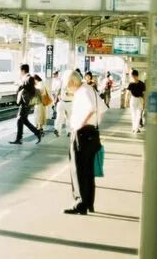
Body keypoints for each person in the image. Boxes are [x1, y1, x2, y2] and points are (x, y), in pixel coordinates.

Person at [63, 70, 102, 216]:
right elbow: (102, 108)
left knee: (78, 169)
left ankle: (80, 203)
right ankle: (88, 202)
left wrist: (80, 125)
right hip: (92, 132)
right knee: (88, 171)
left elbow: (91, 109)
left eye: (68, 86)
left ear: (73, 82)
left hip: (82, 134)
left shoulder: (82, 91)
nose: (68, 90)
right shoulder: (90, 89)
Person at [9, 64, 42, 145]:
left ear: (23, 70)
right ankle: (34, 133)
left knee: (20, 119)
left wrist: (21, 86)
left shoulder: (29, 78)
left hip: (26, 103)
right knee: (23, 120)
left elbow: (31, 90)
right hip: (25, 103)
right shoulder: (27, 78)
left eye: (20, 71)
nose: (20, 72)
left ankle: (34, 133)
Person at [126, 69, 146, 133]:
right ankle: (136, 128)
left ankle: (134, 128)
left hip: (133, 99)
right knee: (138, 114)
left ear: (133, 75)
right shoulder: (142, 84)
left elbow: (127, 93)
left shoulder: (131, 84)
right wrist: (144, 102)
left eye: (132, 76)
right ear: (137, 75)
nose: (133, 77)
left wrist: (126, 101)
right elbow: (144, 94)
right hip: (140, 99)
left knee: (134, 114)